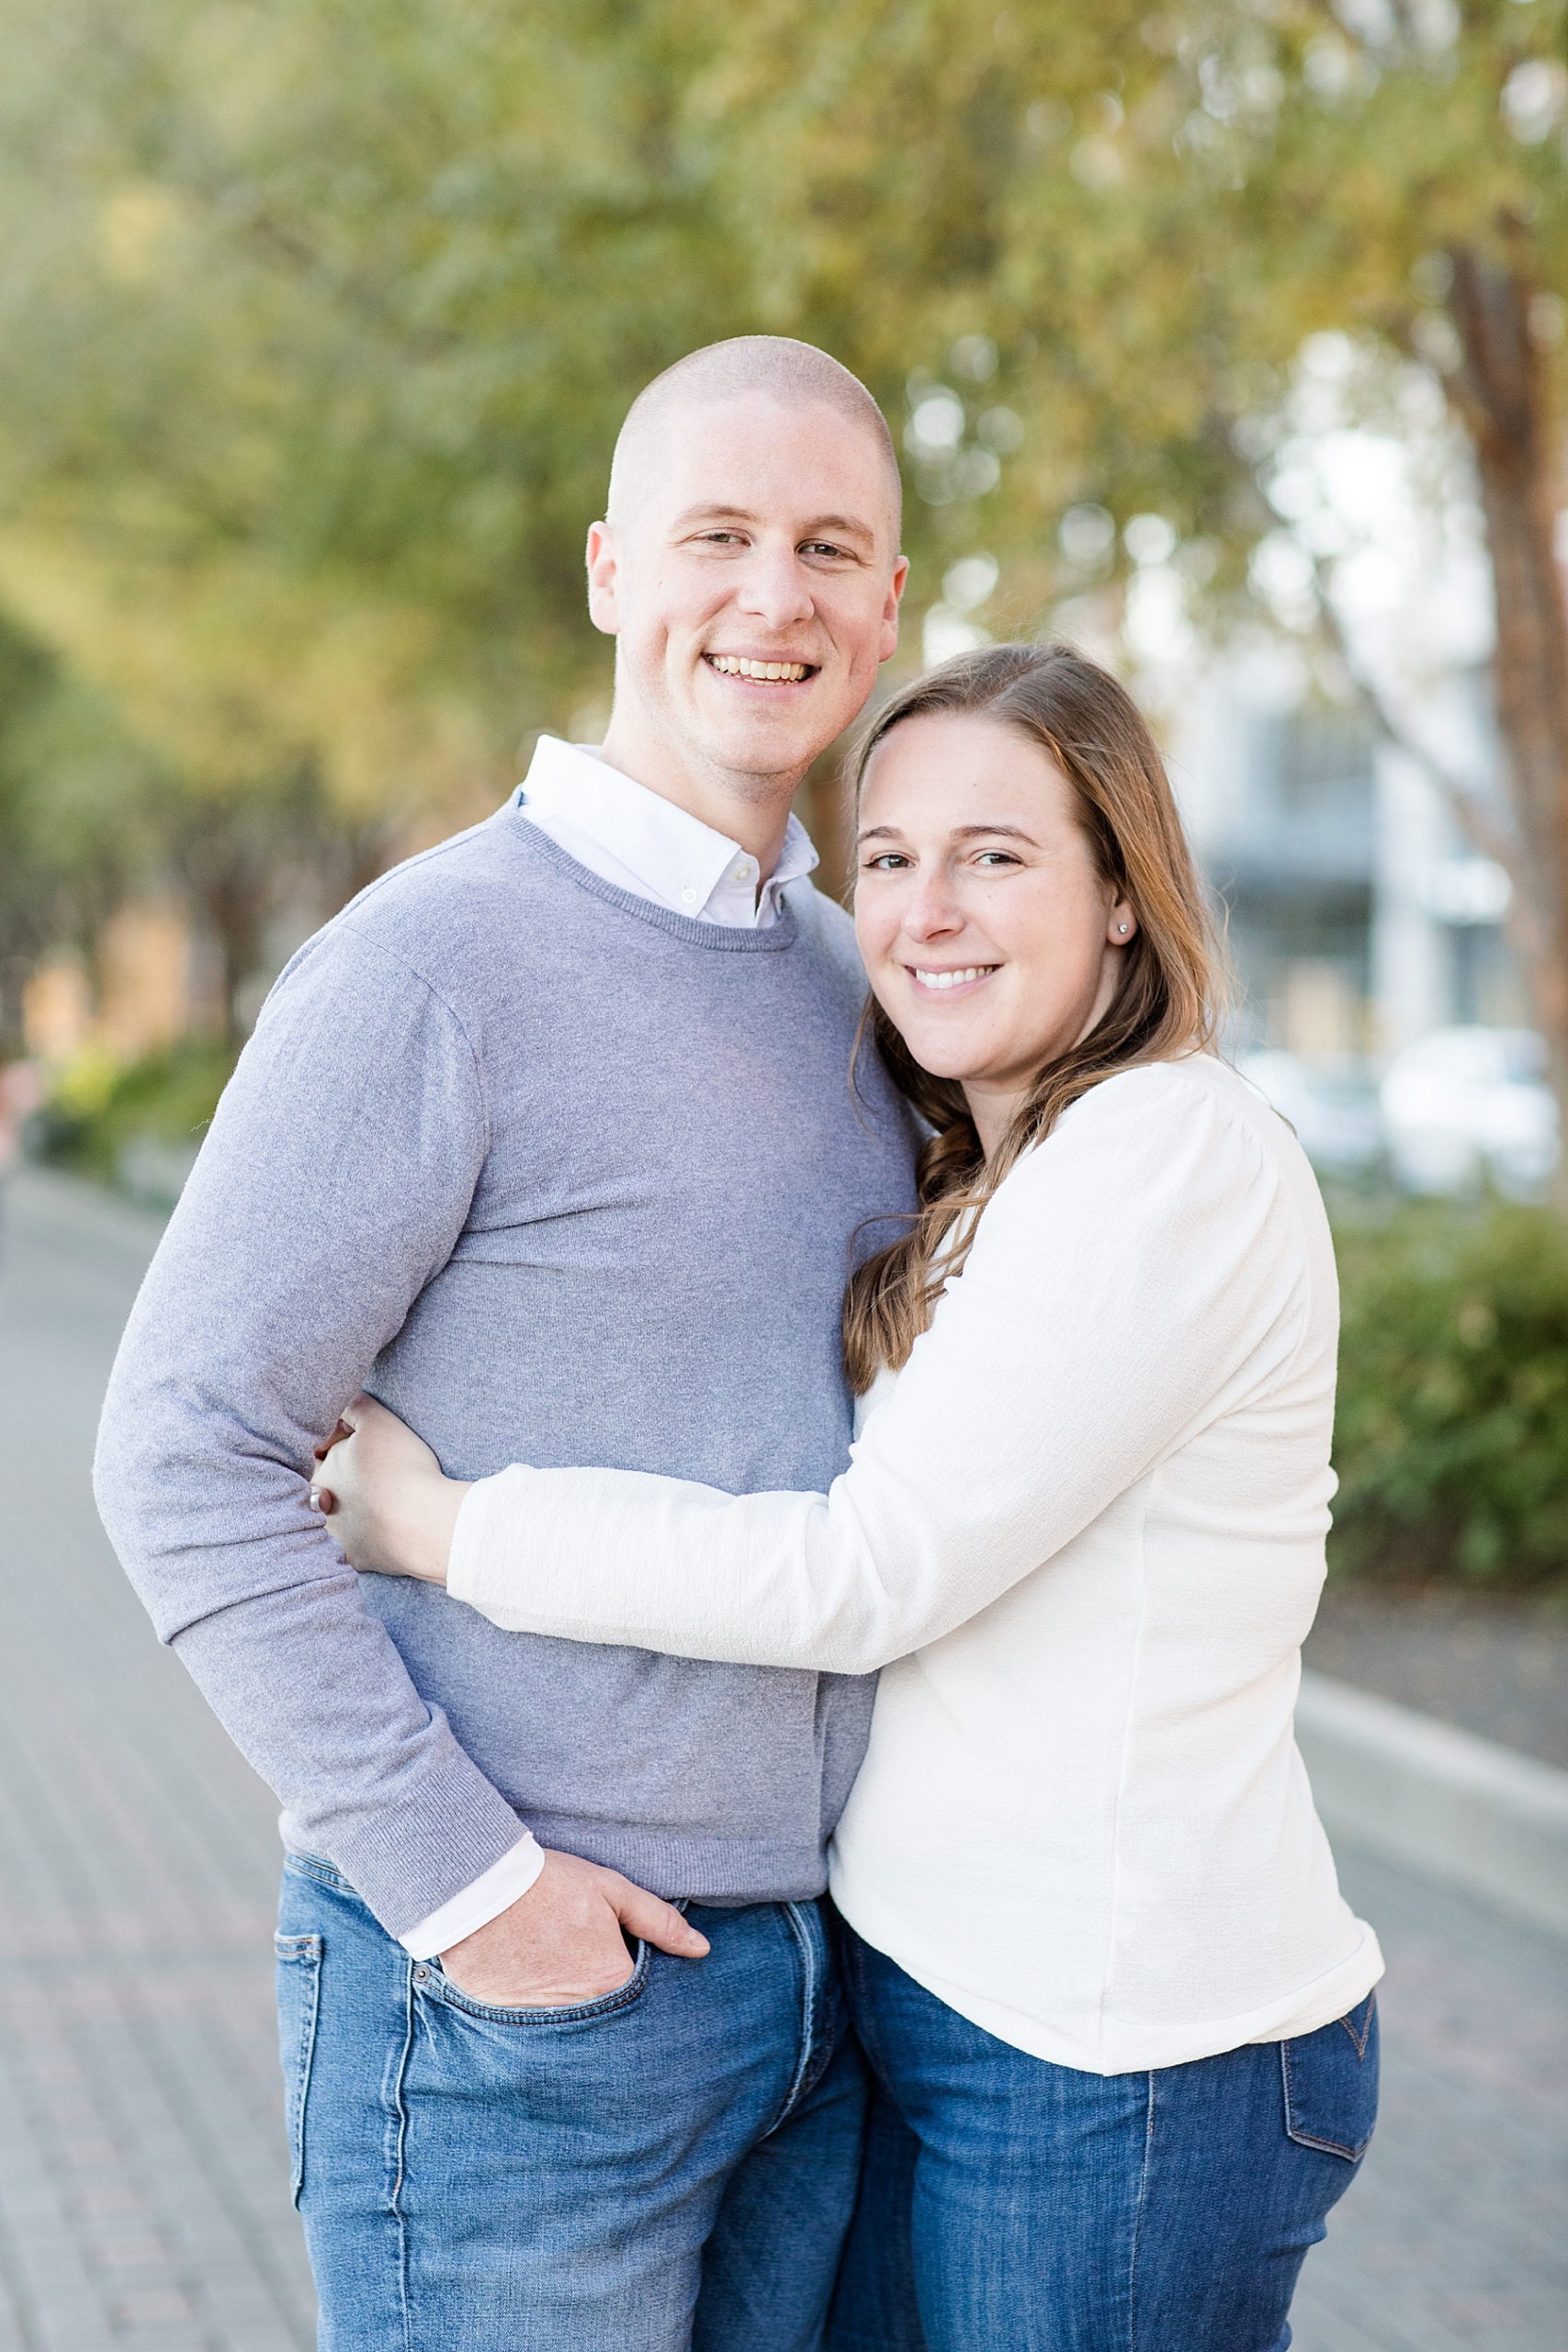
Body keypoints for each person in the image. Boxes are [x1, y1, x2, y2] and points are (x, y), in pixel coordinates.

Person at [316, 641, 1384, 2352]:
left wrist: (445, 1529)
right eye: (887, 857)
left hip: (1118, 2061)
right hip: (947, 2021)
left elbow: (868, 1569)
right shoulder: (994, 1176)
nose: (925, 909)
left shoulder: (1167, 1154)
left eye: (997, 856)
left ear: (1123, 894)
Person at [93, 337, 919, 2351]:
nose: (771, 594)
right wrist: (470, 1891)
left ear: (890, 599)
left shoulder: (857, 980)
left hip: (824, 1997)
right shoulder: (429, 960)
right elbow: (184, 1451)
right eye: (714, 535)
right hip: (520, 2015)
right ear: (606, 571)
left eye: (828, 546)